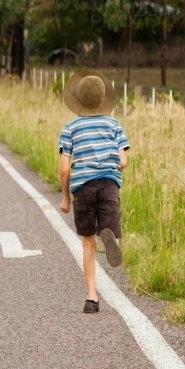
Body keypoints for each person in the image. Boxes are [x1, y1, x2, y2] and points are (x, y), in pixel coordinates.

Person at [57, 70, 130, 314]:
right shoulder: (113, 124)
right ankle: (110, 238)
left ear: (77, 99)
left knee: (87, 242)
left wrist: (66, 198)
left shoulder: (70, 128)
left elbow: (64, 169)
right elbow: (123, 161)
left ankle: (91, 298)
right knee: (110, 228)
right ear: (102, 99)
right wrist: (107, 160)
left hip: (83, 188)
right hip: (108, 184)